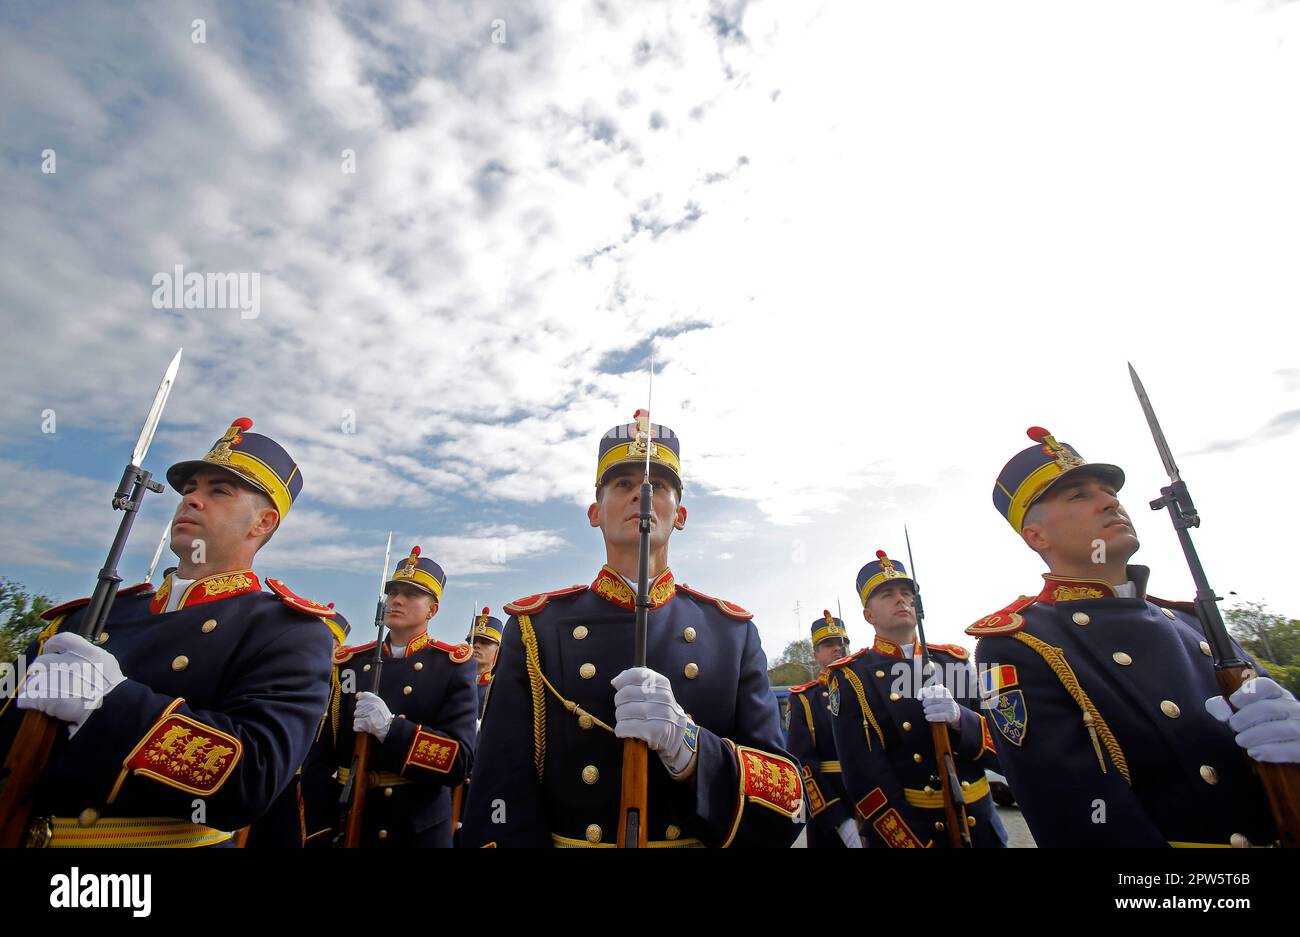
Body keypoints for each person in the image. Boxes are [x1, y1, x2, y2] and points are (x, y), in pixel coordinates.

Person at [462, 414, 803, 847]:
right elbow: (500, 787)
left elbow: (788, 798)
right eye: (623, 484)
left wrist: (691, 748)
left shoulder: (730, 634)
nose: (641, 495)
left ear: (679, 514)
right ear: (595, 513)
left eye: (657, 486)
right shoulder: (536, 629)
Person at [2, 417, 337, 847]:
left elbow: (253, 778)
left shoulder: (287, 631)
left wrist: (110, 705)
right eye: (192, 488)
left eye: (219, 491)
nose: (193, 499)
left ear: (263, 523)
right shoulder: (90, 617)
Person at [968, 426, 1299, 846]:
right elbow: (1079, 817)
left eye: (1109, 491)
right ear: (1037, 536)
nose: (1109, 501)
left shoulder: (1193, 621)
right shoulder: (1019, 644)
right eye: (1079, 495)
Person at [828, 550, 1005, 847]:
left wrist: (962, 720)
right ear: (868, 615)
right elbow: (863, 776)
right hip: (914, 829)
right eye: (887, 594)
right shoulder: (851, 677)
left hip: (980, 825)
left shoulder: (956, 661)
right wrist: (910, 841)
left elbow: (1005, 747)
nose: (901, 599)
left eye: (907, 593)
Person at [308, 546, 477, 847]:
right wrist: (320, 829)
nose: (397, 600)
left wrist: (392, 730)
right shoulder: (351, 663)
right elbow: (320, 759)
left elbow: (458, 761)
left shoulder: (452, 666)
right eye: (393, 592)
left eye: (411, 594)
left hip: (416, 829)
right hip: (350, 824)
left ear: (432, 610)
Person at [786, 611, 859, 847]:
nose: (838, 648)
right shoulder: (805, 699)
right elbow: (803, 765)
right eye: (828, 644)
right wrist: (840, 821)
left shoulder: (867, 689)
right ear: (815, 654)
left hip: (876, 807)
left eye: (843, 643)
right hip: (830, 811)